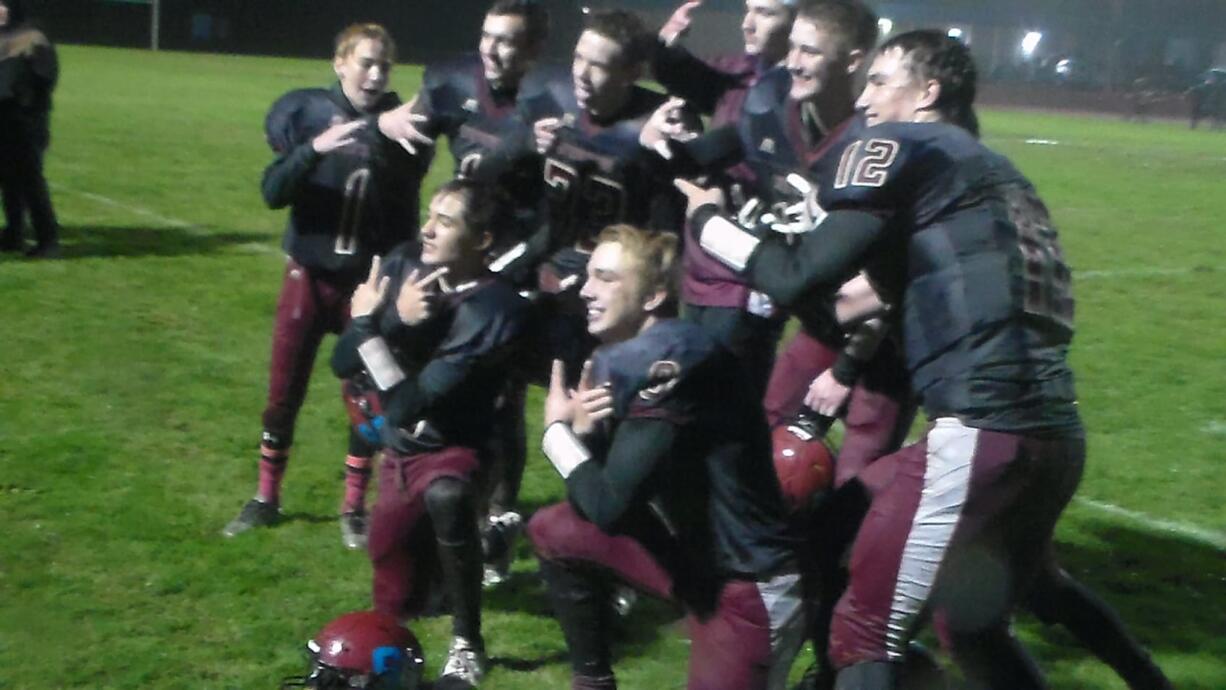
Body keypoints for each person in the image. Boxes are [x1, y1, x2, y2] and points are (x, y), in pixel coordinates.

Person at [683, 29, 1170, 690]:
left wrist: (709, 224)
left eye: (881, 80)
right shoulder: (988, 174)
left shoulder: (903, 145)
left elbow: (801, 275)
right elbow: (864, 299)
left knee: (865, 632)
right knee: (959, 616)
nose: (866, 97)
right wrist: (843, 363)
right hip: (1049, 433)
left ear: (927, 92)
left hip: (981, 429)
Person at [527, 224, 804, 690]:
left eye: (608, 278)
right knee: (553, 528)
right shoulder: (631, 355)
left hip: (748, 584)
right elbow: (603, 497)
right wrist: (586, 434)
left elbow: (609, 507)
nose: (588, 291)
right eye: (589, 276)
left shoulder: (669, 358)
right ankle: (592, 681)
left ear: (655, 295)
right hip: (697, 562)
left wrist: (556, 434)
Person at [222, 23, 431, 549]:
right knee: (282, 392)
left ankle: (353, 507)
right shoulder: (307, 112)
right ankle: (266, 497)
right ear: (340, 63)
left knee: (365, 400)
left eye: (385, 64)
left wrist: (382, 135)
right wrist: (314, 149)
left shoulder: (401, 123)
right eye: (366, 62)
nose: (376, 73)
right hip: (309, 277)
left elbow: (405, 209)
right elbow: (272, 191)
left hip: (365, 286)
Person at [379, 0, 552, 588]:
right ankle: (451, 504)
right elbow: (410, 128)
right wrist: (387, 124)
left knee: (504, 397)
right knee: (444, 378)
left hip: (518, 258)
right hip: (461, 251)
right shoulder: (451, 80)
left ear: (532, 51)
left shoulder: (551, 100)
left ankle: (499, 515)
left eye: (508, 41)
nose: (492, 50)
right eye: (487, 37)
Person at [331, 179, 531, 688]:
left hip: (459, 449)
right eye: (429, 215)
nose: (427, 228)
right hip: (402, 452)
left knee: (447, 496)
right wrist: (391, 320)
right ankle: (469, 556)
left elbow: (405, 404)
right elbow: (341, 360)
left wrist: (372, 327)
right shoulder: (402, 264)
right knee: (399, 603)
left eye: (446, 221)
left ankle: (468, 642)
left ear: (482, 240)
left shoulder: (495, 309)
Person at [508, 8, 692, 386]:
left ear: (631, 73)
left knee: (601, 395)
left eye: (599, 66)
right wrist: (525, 143)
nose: (582, 73)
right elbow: (500, 177)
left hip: (615, 285)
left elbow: (665, 239)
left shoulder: (656, 125)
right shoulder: (550, 97)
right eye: (578, 58)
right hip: (550, 263)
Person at [649, 0, 800, 401]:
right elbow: (688, 78)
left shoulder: (800, 91)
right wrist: (667, 48)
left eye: (765, 13)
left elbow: (720, 148)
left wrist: (663, 151)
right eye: (748, 9)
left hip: (745, 277)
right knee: (694, 405)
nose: (748, 23)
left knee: (724, 414)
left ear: (800, 23)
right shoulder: (738, 72)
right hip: (700, 266)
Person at [0, 0, 60, 258]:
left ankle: (48, 240)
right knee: (8, 181)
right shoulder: (4, 39)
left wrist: (21, 95)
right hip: (4, 118)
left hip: (26, 120)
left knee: (30, 181)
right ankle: (14, 234)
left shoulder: (32, 37)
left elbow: (46, 77)